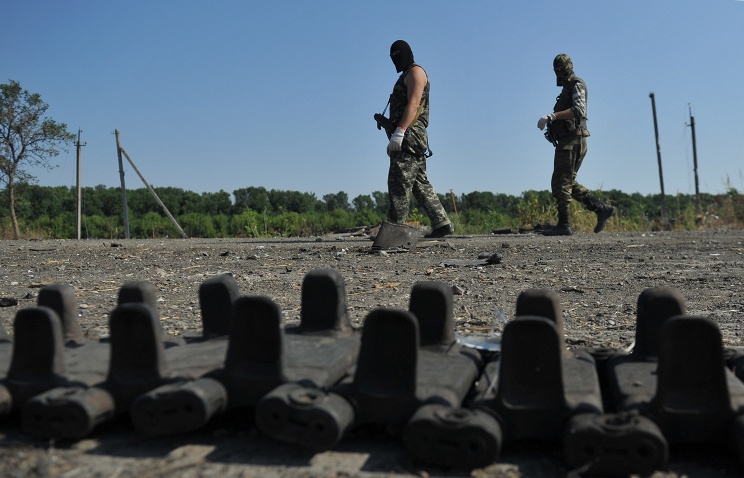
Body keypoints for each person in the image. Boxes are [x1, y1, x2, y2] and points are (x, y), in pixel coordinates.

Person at [536, 53, 615, 236]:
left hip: (572, 141)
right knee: (568, 181)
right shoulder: (566, 89)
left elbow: (579, 110)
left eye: (562, 69)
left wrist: (553, 116)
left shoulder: (576, 84)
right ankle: (601, 209)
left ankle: (564, 225)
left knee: (560, 183)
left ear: (569, 67)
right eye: (556, 70)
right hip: (568, 140)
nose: (559, 73)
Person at [383, 40, 453, 238]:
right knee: (418, 182)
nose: (395, 59)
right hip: (410, 135)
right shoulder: (407, 73)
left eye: (397, 55)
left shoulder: (415, 72)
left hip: (409, 135)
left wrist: (400, 131)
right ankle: (441, 223)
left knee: (399, 181)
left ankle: (394, 231)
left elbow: (413, 105)